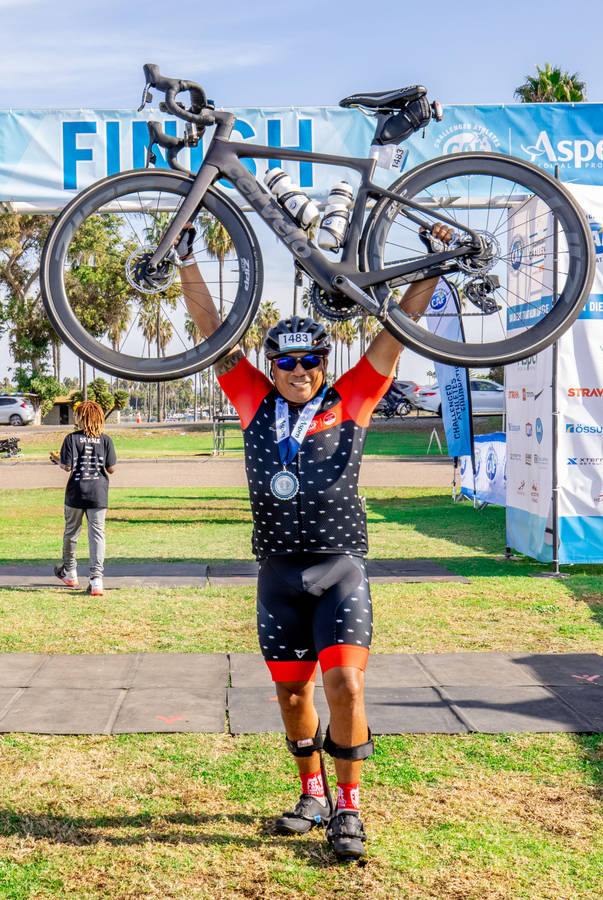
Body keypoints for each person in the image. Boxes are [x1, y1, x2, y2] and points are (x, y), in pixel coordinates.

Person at [176, 222, 450, 861]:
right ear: (272, 365)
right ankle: (312, 793)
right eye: (287, 361)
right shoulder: (252, 400)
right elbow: (211, 329)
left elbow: (395, 334)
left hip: (339, 569)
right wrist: (187, 260)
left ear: (324, 362)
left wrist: (432, 266)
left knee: (346, 687)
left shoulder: (351, 398)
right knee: (293, 693)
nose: (299, 371)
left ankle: (349, 807)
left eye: (310, 361)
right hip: (278, 573)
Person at [50, 400, 117, 596]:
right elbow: (111, 468)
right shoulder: (106, 440)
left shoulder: (71, 439)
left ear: (84, 418)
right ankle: (96, 579)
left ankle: (70, 571)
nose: (75, 418)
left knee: (71, 533)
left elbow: (67, 466)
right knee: (97, 535)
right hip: (98, 493)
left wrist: (57, 460)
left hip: (76, 492)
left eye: (78, 415)